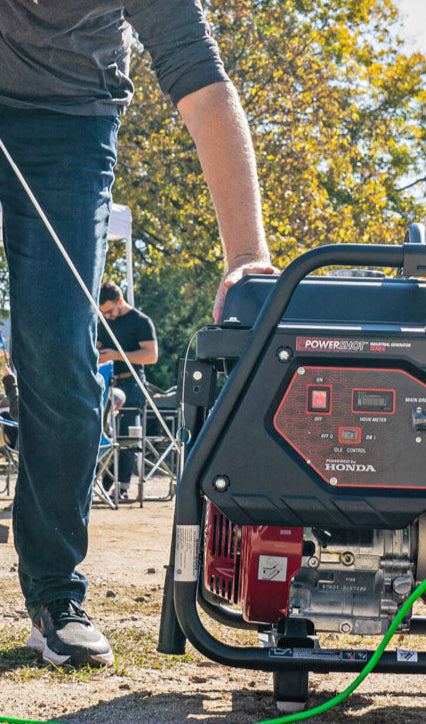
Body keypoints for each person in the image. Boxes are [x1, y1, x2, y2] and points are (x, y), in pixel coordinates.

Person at [0, 1, 276, 668]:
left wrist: (246, 256)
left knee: (63, 354)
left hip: (71, 121)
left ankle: (54, 599)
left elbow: (202, 86)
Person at [97, 282, 158, 501]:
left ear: (120, 301)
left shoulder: (141, 322)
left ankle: (121, 487)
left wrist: (116, 355)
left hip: (132, 383)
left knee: (127, 436)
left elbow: (150, 356)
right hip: (107, 383)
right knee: (101, 432)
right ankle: (99, 482)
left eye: (110, 311)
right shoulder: (105, 320)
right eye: (104, 313)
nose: (108, 317)